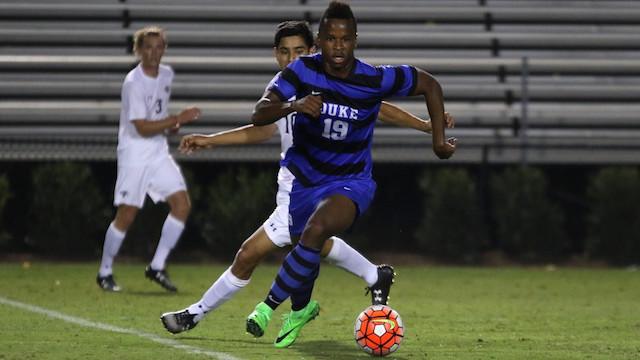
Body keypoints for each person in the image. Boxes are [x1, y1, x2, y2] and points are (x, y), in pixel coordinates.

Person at [159, 21, 454, 336]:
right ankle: (366, 278)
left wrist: (425, 126)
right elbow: (260, 129)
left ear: (313, 50)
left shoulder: (327, 81)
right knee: (315, 243)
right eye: (284, 52)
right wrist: (211, 140)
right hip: (293, 187)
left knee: (252, 253)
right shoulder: (284, 87)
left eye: (298, 50)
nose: (291, 58)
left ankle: (198, 313)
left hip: (312, 188)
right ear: (276, 55)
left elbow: (378, 107)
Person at [247, 1, 456, 348]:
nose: (338, 46)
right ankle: (303, 309)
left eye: (345, 39)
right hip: (305, 179)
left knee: (316, 230)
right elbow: (260, 112)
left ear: (355, 40)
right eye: (331, 38)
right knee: (306, 247)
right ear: (320, 40)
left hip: (351, 181)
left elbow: (429, 84)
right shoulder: (301, 72)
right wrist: (294, 105)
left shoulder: (373, 78)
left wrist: (436, 140)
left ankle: (265, 308)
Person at [96, 26, 201, 293]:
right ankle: (104, 271)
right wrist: (178, 119)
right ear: (139, 50)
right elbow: (141, 126)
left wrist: (172, 125)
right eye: (148, 47)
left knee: (181, 204)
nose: (154, 53)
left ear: (164, 49)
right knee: (127, 213)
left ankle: (157, 266)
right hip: (134, 153)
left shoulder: (166, 74)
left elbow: (158, 115)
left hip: (157, 151)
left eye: (158, 47)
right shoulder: (133, 82)